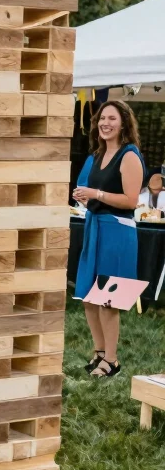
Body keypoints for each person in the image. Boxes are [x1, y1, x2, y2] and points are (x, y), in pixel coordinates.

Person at [73, 100, 143, 378]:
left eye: (112, 119)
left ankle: (112, 360)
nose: (106, 123)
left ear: (124, 123)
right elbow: (84, 189)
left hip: (117, 231)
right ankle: (99, 352)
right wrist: (81, 196)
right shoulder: (95, 156)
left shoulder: (129, 156)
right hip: (95, 227)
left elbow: (131, 200)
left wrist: (96, 195)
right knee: (89, 297)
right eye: (102, 118)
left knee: (107, 299)